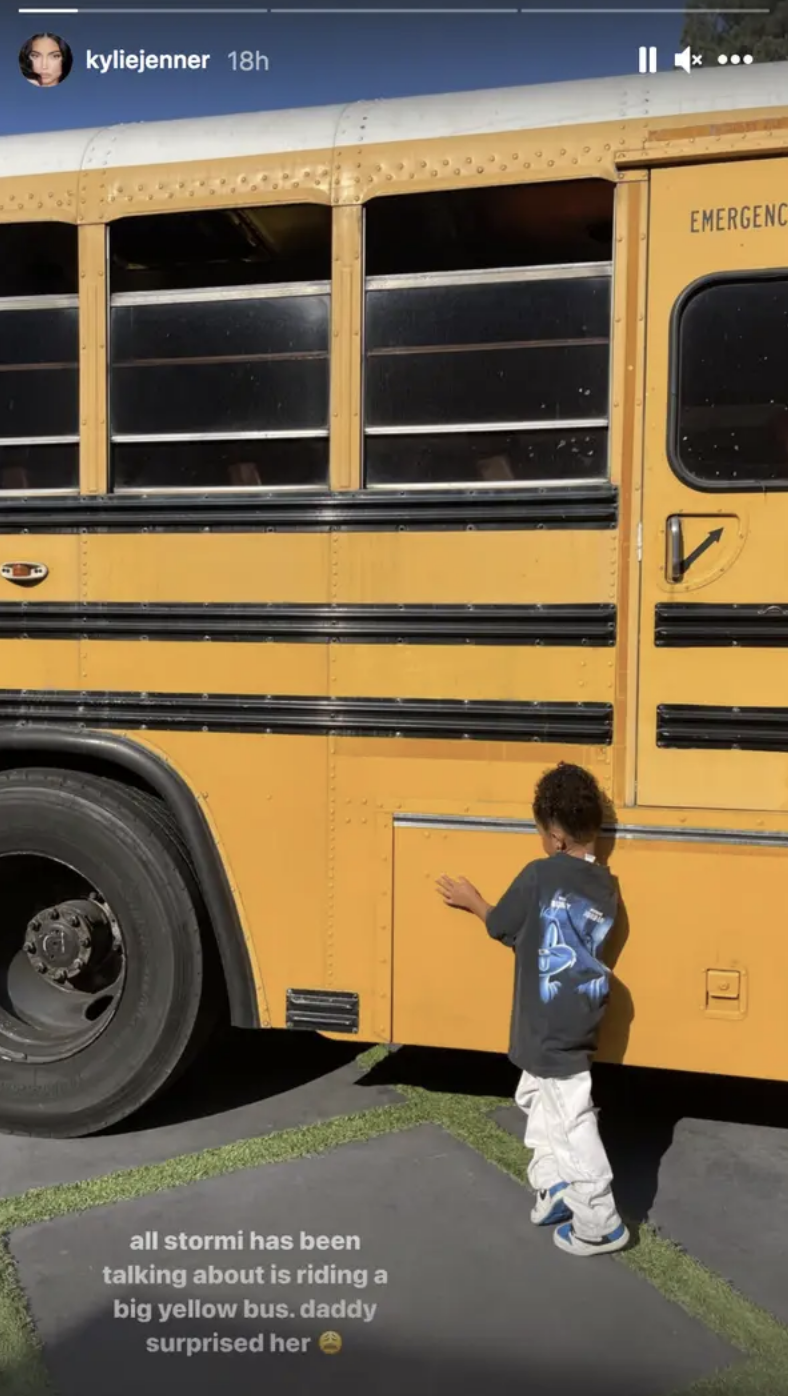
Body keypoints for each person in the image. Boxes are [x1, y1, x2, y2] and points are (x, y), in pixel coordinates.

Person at [436, 762, 628, 1257]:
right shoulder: (607, 887)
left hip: (545, 1020)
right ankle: (555, 1187)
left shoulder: (539, 874)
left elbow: (504, 924)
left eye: (541, 832)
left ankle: (600, 1221)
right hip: (578, 1014)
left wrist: (472, 900)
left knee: (572, 1115)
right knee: (539, 1098)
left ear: (556, 838)